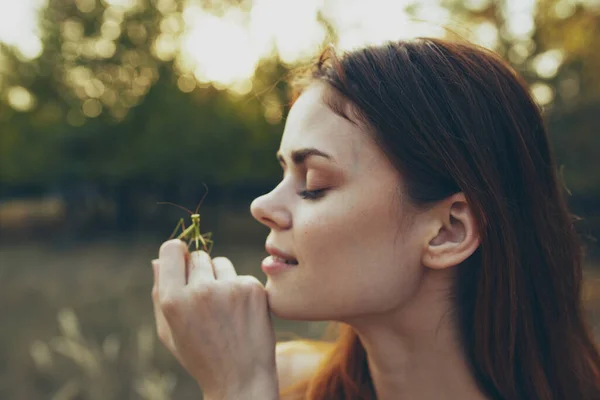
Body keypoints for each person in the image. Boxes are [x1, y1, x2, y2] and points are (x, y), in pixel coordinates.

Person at [151, 37, 600, 400]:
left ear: (449, 231)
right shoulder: (285, 382)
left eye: (315, 184)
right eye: (283, 171)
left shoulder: (256, 385)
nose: (261, 206)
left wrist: (237, 392)